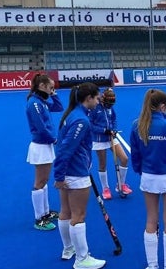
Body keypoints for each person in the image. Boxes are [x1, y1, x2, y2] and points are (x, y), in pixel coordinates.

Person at [130, 89, 166, 269]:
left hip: (148, 176)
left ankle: (153, 265)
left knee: (151, 220)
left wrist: (140, 171)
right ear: (163, 106)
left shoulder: (137, 125)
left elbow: (135, 154)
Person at [54, 83, 107, 269]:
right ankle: (82, 259)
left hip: (70, 171)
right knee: (78, 214)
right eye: (97, 96)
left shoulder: (72, 114)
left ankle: (69, 249)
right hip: (75, 173)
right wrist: (59, 176)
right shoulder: (81, 121)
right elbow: (65, 149)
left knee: (65, 211)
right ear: (88, 98)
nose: (99, 99)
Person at [25, 73, 64, 231]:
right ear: (41, 86)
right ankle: (39, 218)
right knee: (40, 182)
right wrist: (54, 140)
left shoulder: (42, 102)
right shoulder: (34, 103)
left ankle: (46, 212)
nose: (52, 90)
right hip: (41, 146)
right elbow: (40, 127)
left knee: (44, 180)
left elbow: (59, 107)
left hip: (45, 144)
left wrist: (54, 95)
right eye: (50, 87)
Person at [90, 87, 132, 199]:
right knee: (103, 164)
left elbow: (113, 119)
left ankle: (121, 185)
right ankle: (105, 188)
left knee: (124, 158)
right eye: (108, 103)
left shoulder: (110, 107)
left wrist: (114, 129)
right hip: (99, 139)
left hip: (111, 137)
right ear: (103, 100)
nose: (110, 106)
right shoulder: (94, 108)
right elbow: (90, 125)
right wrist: (104, 130)